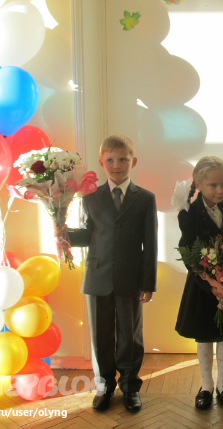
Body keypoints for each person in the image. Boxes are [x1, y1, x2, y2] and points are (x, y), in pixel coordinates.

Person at [65, 135, 158, 413]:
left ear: (133, 161)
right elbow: (87, 234)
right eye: (110, 160)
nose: (116, 165)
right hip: (98, 276)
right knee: (101, 335)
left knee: (130, 335)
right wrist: (64, 234)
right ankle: (104, 386)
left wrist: (148, 282)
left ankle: (130, 386)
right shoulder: (90, 197)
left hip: (131, 278)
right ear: (101, 162)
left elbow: (150, 243)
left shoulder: (145, 199)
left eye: (123, 159)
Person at [175, 156, 223, 410]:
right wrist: (210, 285)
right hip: (203, 286)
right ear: (198, 184)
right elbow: (188, 253)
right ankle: (206, 385)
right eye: (213, 185)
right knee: (204, 335)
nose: (220, 190)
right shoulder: (188, 214)